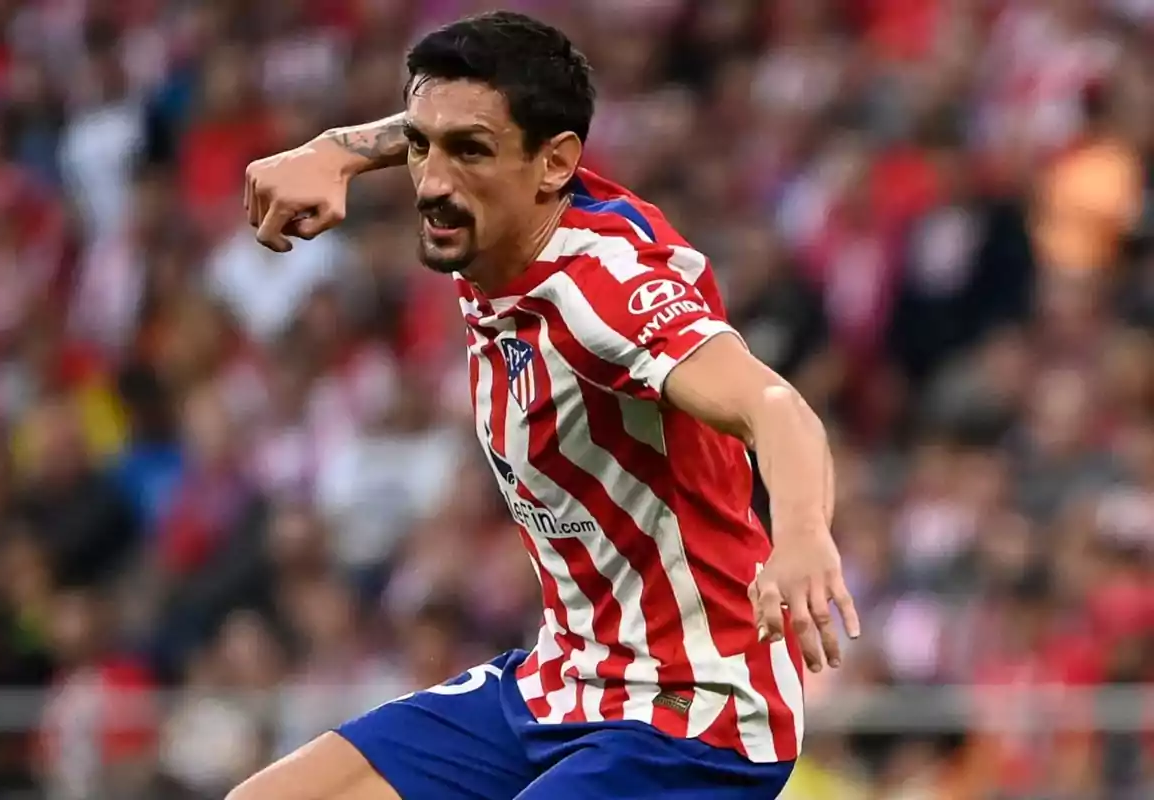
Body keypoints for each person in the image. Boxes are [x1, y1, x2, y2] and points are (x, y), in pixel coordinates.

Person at [231, 11, 859, 800]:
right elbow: (452, 124)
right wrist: (335, 151)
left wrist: (801, 536)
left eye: (467, 154)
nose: (430, 183)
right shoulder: (495, 221)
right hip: (565, 681)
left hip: (696, 709)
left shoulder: (605, 293)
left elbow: (776, 406)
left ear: (555, 163)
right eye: (421, 149)